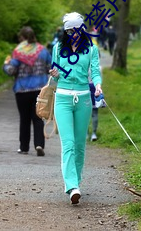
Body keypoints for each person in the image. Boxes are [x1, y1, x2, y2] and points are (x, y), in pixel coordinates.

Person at [49, 12, 102, 204]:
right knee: (68, 144)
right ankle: (71, 186)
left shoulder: (91, 49)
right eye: (69, 31)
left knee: (80, 145)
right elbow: (55, 78)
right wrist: (54, 73)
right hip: (62, 99)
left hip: (84, 100)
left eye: (76, 30)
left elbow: (95, 71)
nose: (73, 34)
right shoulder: (58, 48)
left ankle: (76, 182)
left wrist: (97, 85)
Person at [3, 26, 51, 156]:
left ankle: (24, 148)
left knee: (24, 119)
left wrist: (6, 64)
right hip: (39, 90)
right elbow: (50, 68)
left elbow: (11, 71)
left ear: (22, 38)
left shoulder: (18, 52)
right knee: (38, 117)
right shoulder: (43, 51)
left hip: (22, 90)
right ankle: (39, 144)